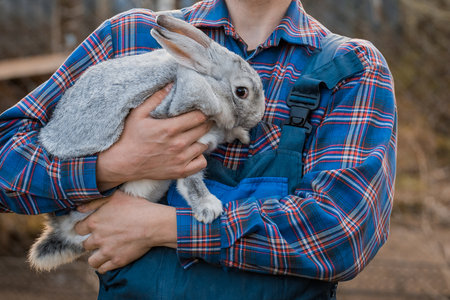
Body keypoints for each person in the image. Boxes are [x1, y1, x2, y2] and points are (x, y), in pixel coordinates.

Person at [0, 0, 396, 299]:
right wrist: (114, 164)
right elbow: (6, 160)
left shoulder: (349, 67)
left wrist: (160, 226)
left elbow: (340, 233)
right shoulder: (131, 35)